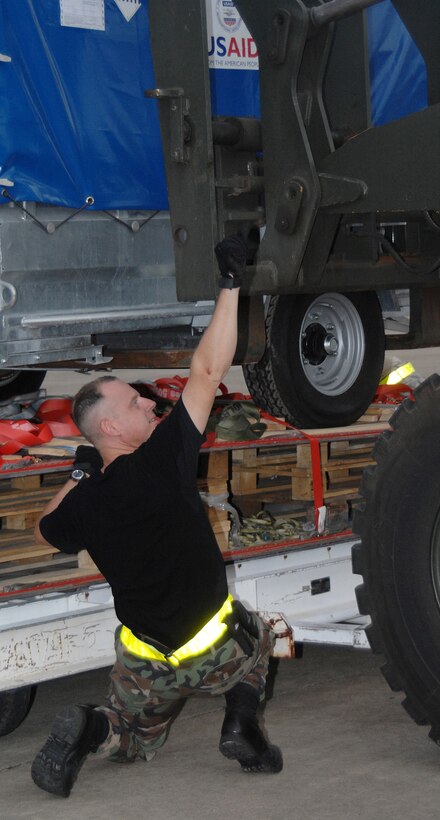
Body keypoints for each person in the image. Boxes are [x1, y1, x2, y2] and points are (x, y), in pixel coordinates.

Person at [30, 235, 282, 798]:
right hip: (212, 646)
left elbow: (47, 529)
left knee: (133, 737)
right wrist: (230, 283)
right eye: (135, 403)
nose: (149, 402)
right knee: (263, 638)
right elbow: (208, 367)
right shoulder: (164, 462)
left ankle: (95, 726)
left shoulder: (88, 500)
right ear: (114, 429)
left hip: (144, 655)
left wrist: (81, 470)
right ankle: (241, 723)